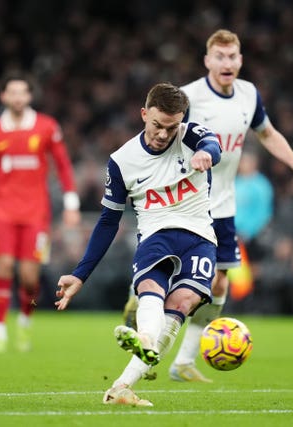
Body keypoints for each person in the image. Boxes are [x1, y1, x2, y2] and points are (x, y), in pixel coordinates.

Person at [123, 29, 293, 382]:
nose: (227, 63)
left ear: (241, 60)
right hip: (186, 201)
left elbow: (268, 133)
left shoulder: (248, 95)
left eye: (233, 57)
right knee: (175, 276)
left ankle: (182, 361)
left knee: (219, 284)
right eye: (220, 57)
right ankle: (146, 322)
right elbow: (160, 139)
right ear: (207, 61)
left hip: (223, 205)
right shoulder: (191, 97)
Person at [55, 82, 222, 406]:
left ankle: (120, 387)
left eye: (171, 127)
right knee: (151, 288)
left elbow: (212, 145)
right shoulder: (122, 161)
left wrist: (205, 153)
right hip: (156, 234)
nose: (163, 134)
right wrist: (80, 274)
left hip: (200, 237)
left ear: (182, 120)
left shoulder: (191, 136)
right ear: (144, 114)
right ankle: (145, 336)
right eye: (157, 124)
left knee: (183, 303)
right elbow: (107, 221)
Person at [0, 75, 81, 354]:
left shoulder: (46, 127)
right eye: (12, 92)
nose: (18, 97)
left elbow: (63, 165)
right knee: (3, 267)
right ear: (3, 96)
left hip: (36, 213)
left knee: (30, 278)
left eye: (23, 93)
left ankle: (25, 321)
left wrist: (71, 203)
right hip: (3, 211)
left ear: (29, 97)